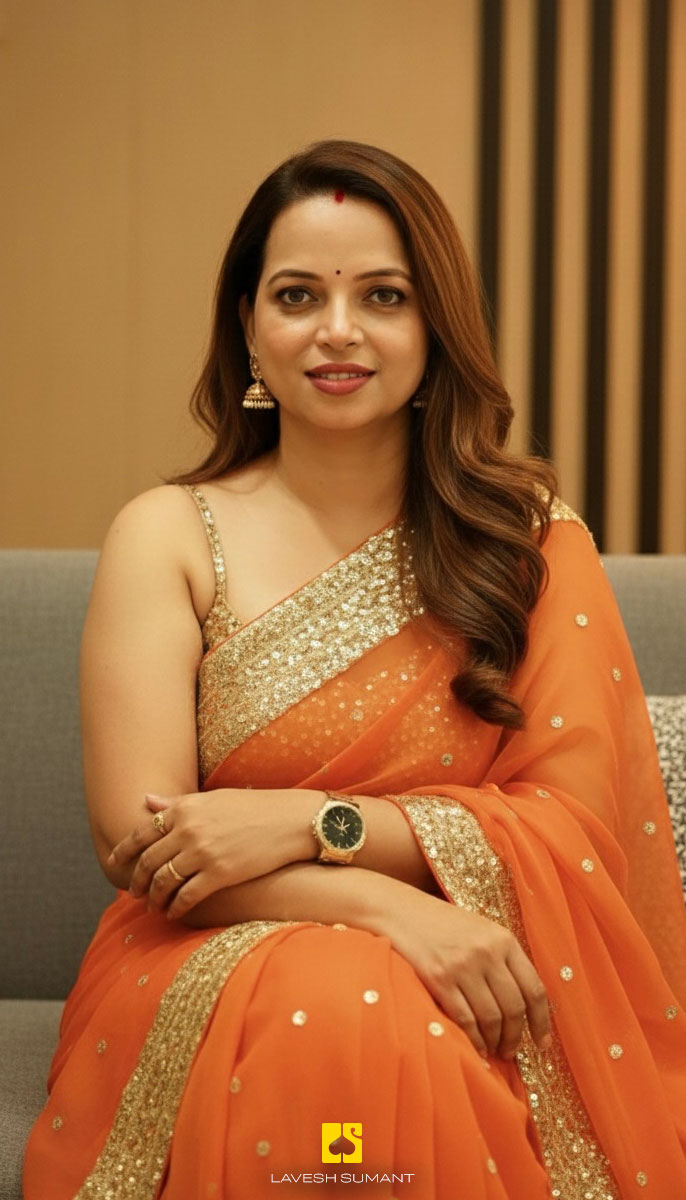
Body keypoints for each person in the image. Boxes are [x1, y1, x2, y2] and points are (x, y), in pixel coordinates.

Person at [23, 138, 686, 1200]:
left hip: (489, 961)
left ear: (433, 327)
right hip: (215, 943)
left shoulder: (527, 544)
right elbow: (142, 846)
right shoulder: (170, 535)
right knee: (344, 1000)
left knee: (372, 1010)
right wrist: (394, 911)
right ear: (248, 324)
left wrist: (305, 820)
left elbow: (573, 834)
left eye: (382, 295)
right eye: (297, 295)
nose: (338, 331)